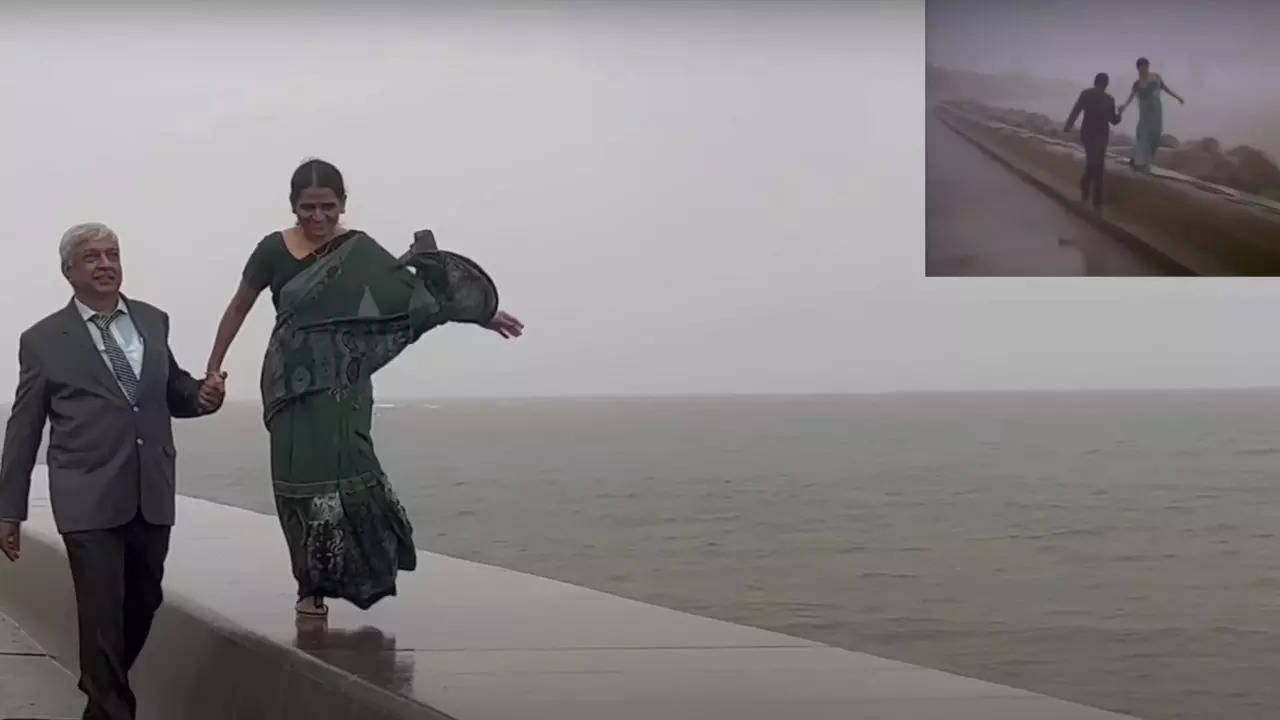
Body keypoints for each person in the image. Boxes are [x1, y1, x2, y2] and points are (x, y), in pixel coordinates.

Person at [203, 158, 525, 618]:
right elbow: (239, 307)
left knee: (351, 467)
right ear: (293, 205)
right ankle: (309, 585)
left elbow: (412, 298)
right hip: (287, 382)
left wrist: (478, 312)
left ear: (343, 205)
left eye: (328, 207)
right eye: (307, 207)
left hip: (345, 380)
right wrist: (214, 366)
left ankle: (365, 566)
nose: (317, 217)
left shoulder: (359, 250)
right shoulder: (271, 251)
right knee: (298, 481)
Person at [0, 222, 225, 720]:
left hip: (152, 489)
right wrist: (8, 509)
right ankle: (113, 708)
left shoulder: (152, 320)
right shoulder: (42, 340)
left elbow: (173, 391)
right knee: (102, 616)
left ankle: (99, 697)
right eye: (92, 257)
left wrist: (202, 397)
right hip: (87, 496)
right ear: (68, 272)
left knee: (143, 602)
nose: (105, 264)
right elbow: (24, 427)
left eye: (112, 254)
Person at [1064, 72, 1124, 208]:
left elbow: (1076, 110)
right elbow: (1113, 121)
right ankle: (1096, 201)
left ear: (1094, 82)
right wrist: (1120, 113)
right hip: (1102, 135)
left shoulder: (1086, 94)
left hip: (1088, 134)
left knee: (1092, 164)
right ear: (1106, 84)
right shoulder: (1109, 99)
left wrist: (1068, 126)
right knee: (1098, 166)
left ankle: (1086, 197)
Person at [1119, 57, 1185, 171]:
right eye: (1140, 67)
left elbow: (1165, 88)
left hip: (1156, 111)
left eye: (1145, 67)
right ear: (1138, 68)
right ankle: (1139, 161)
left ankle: (1146, 162)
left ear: (1148, 67)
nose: (1143, 69)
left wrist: (1177, 97)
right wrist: (1124, 107)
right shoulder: (1137, 84)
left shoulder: (1156, 77)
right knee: (1143, 135)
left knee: (1154, 136)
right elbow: (1131, 97)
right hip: (1145, 113)